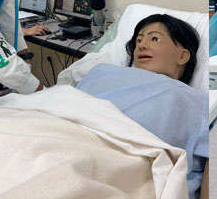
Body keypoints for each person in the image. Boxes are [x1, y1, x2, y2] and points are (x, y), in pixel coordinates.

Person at [77, 14, 205, 199]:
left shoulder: (194, 100)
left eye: (154, 38)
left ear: (183, 55)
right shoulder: (102, 72)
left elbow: (210, 163)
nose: (142, 46)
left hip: (115, 169)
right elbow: (67, 107)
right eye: (138, 40)